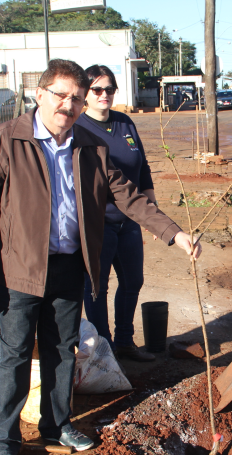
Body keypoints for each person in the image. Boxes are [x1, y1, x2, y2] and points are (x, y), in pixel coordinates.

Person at [0, 59, 201, 455]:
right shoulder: (6, 140)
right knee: (15, 354)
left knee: (61, 348)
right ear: (39, 94)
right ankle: (4, 442)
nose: (69, 105)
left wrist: (173, 233)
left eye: (76, 97)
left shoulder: (88, 143)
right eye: (61, 95)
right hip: (19, 269)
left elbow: (127, 195)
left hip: (70, 265)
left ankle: (57, 425)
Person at [77, 65, 157, 362]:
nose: (104, 95)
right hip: (98, 224)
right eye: (97, 89)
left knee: (133, 281)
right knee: (96, 288)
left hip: (130, 220)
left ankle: (124, 341)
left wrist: (151, 211)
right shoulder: (79, 129)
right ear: (85, 93)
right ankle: (103, 347)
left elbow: (143, 168)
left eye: (109, 89)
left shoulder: (124, 123)